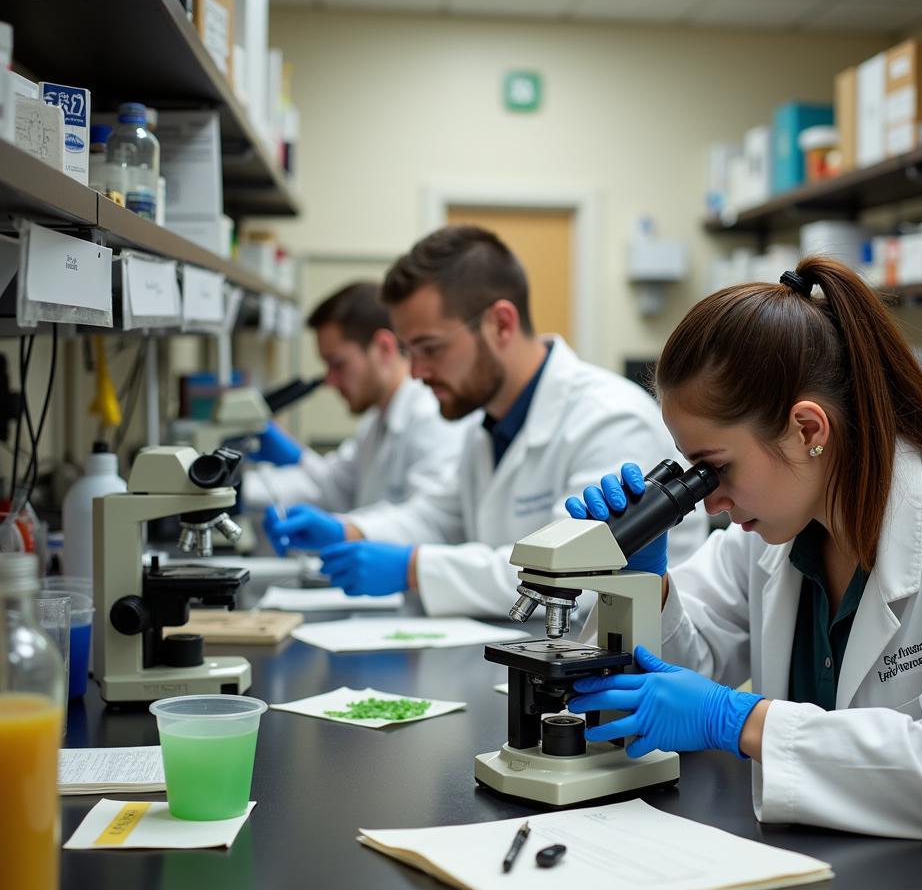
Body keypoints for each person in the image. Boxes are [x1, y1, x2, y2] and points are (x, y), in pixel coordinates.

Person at [565, 256, 922, 867]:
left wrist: (741, 721)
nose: (714, 501)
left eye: (716, 468)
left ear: (808, 428)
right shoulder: (770, 536)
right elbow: (678, 672)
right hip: (818, 879)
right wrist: (644, 586)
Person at [264, 225, 708, 618]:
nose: (415, 372)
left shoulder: (611, 420)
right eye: (409, 351)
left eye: (430, 348)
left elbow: (568, 571)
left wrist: (413, 569)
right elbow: (439, 516)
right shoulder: (487, 427)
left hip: (631, 680)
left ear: (500, 324)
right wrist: (349, 532)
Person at [246, 281, 467, 517]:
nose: (329, 381)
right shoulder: (375, 422)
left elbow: (428, 522)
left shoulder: (431, 418)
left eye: (338, 364)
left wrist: (347, 532)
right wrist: (239, 490)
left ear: (384, 348)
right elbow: (334, 487)